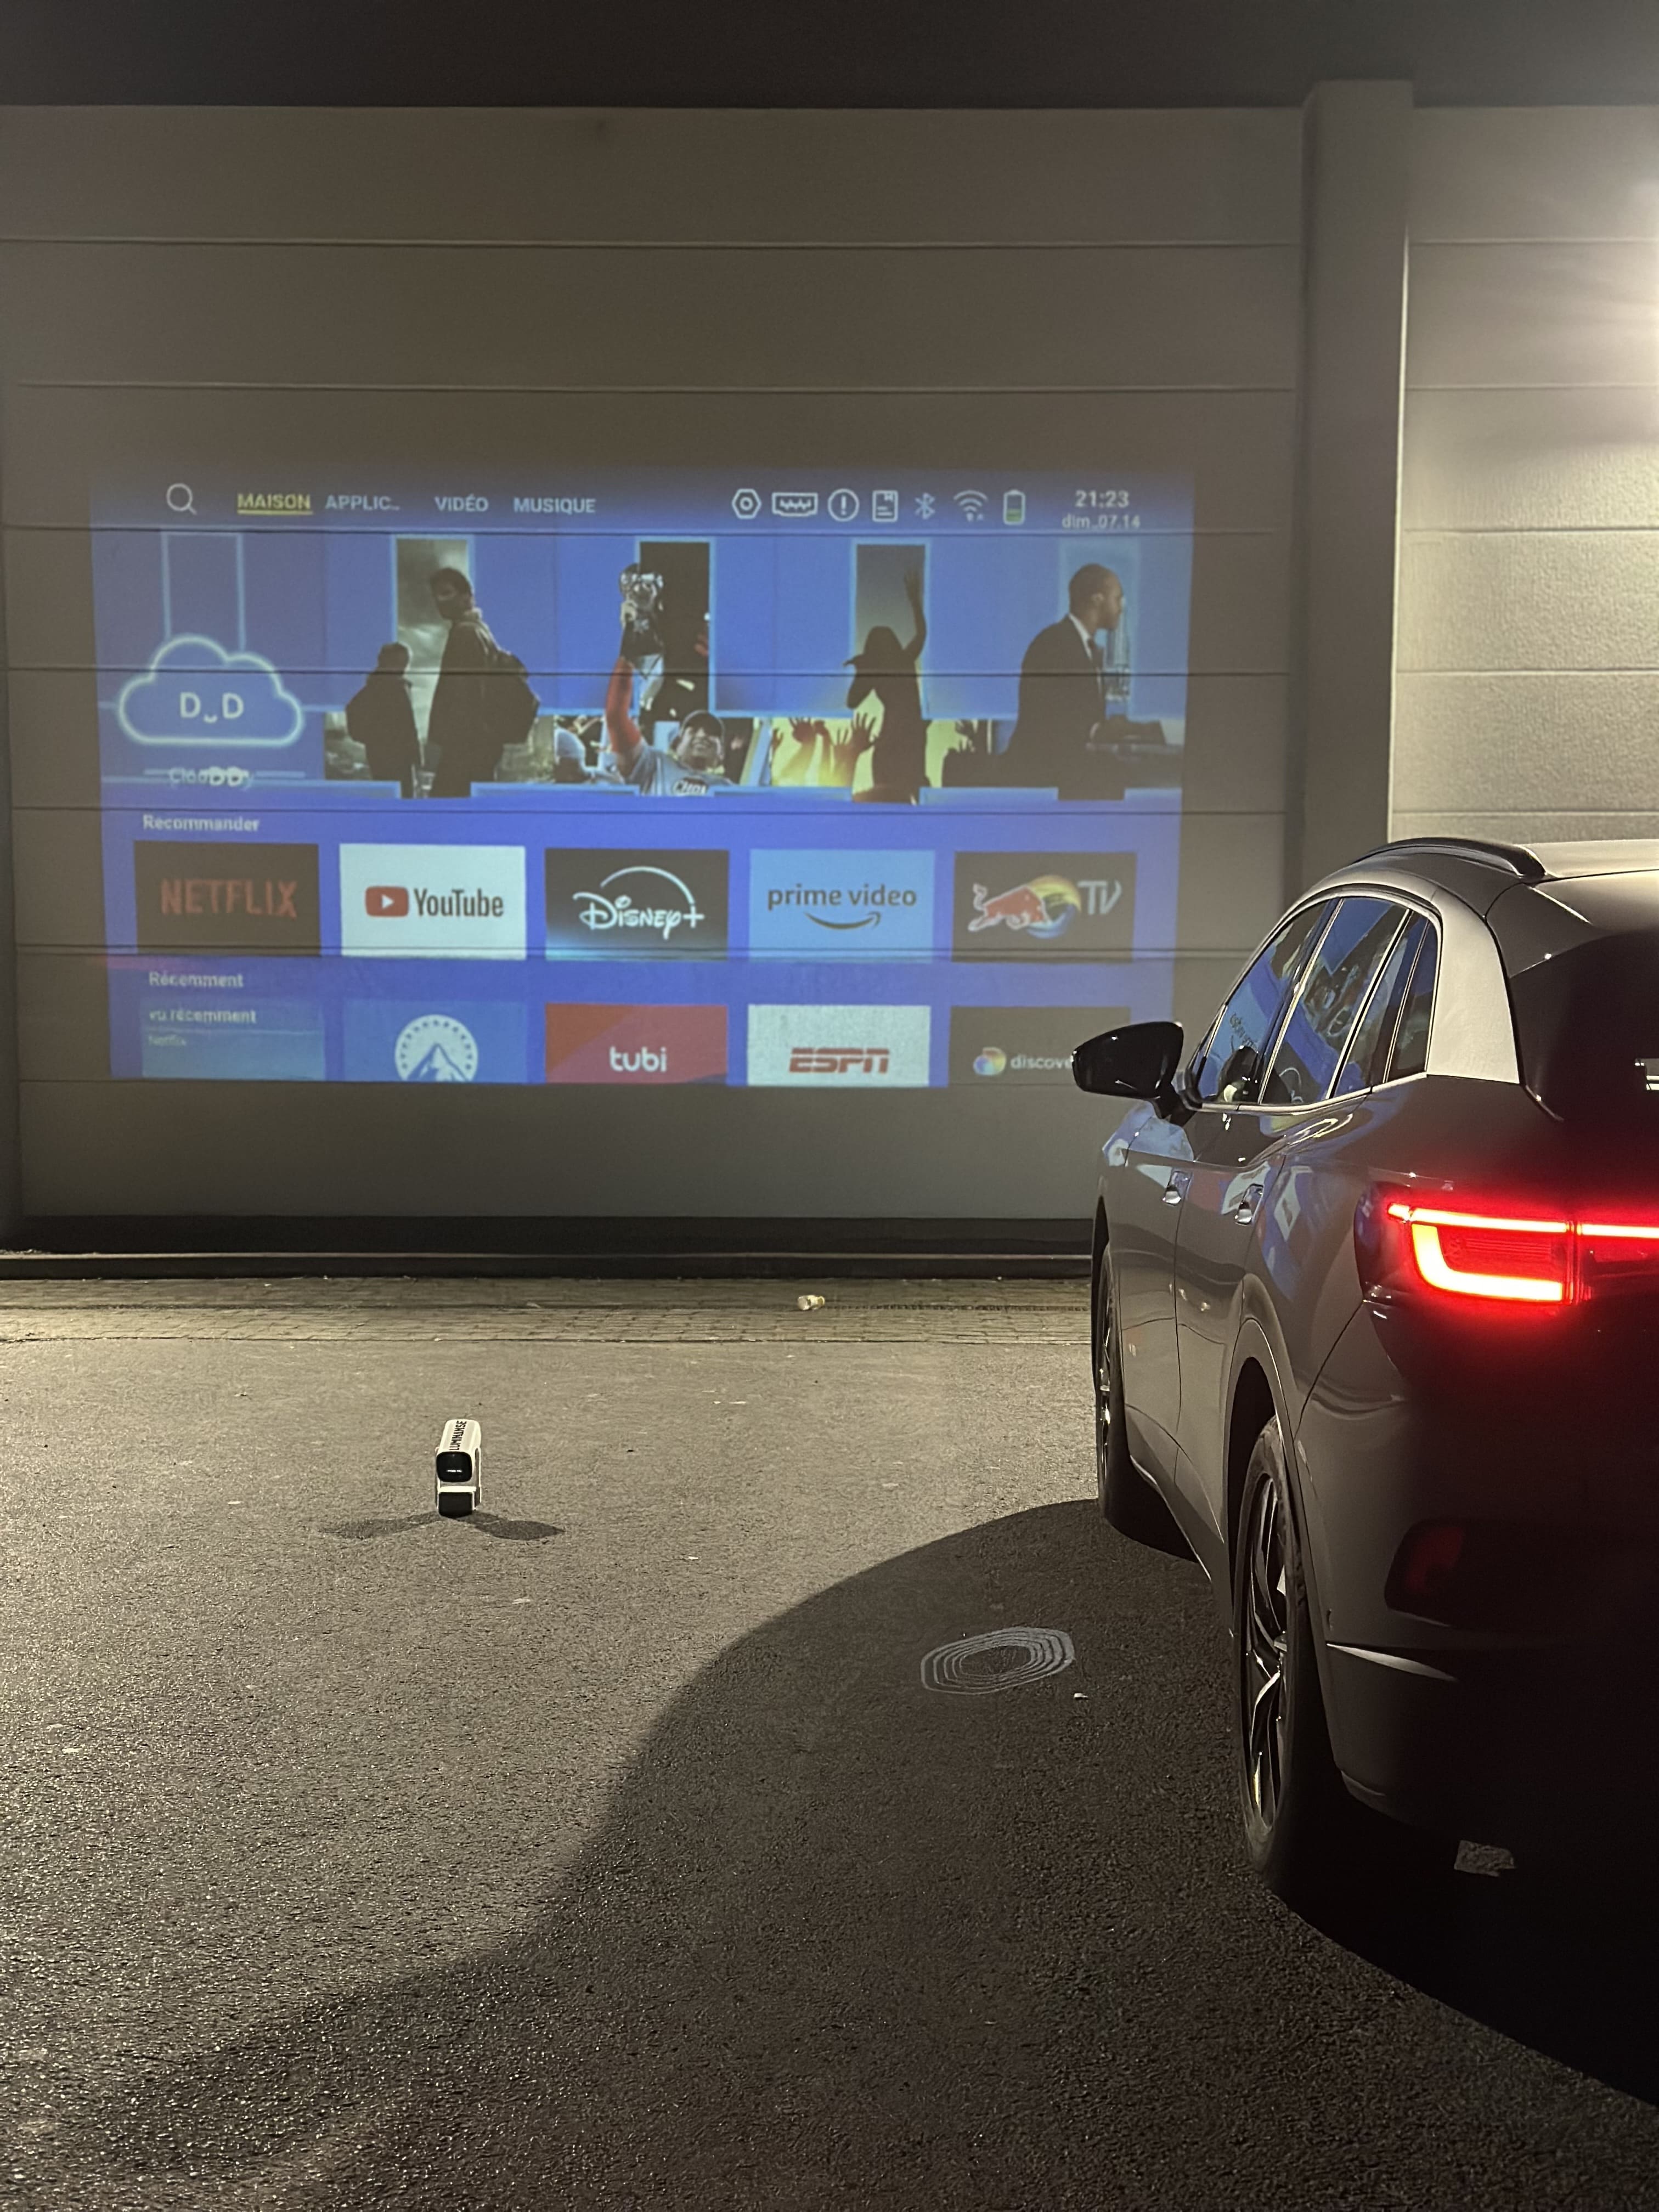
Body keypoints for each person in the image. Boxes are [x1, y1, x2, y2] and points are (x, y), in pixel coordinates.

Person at [1002, 563, 1125, 793]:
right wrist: (1102, 731)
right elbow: (1051, 722)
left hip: (1062, 780)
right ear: (1097, 599)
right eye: (1117, 598)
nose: (1121, 608)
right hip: (1040, 784)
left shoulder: (1085, 648)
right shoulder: (1054, 644)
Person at [425, 567, 533, 799]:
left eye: (446, 593)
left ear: (467, 597)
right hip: (481, 745)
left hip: (465, 747)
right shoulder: (481, 632)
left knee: (443, 815)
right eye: (436, 596)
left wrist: (454, 746)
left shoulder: (465, 635)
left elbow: (465, 698)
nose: (439, 601)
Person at [845, 566, 929, 802]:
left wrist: (862, 671)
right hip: (906, 735)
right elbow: (922, 634)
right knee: (901, 796)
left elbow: (852, 701)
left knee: (891, 798)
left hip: (899, 736)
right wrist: (914, 601)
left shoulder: (888, 666)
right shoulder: (900, 661)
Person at [602, 653, 733, 795]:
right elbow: (618, 719)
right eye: (693, 730)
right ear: (677, 744)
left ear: (721, 754)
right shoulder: (655, 764)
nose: (702, 735)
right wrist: (627, 661)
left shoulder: (727, 789)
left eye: (712, 732)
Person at [343, 643, 420, 798]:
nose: (404, 666)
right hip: (397, 755)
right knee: (402, 799)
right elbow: (408, 727)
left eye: (405, 662)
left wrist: (371, 739)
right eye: (401, 662)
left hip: (382, 753)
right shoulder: (392, 687)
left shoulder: (378, 686)